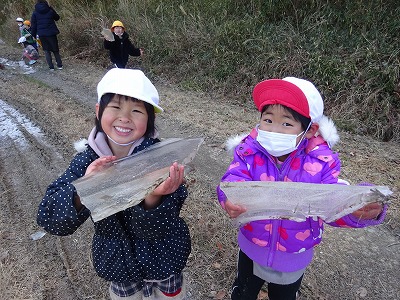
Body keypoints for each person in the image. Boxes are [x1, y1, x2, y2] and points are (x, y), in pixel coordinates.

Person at [216, 77, 388, 300]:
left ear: (309, 129)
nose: (274, 129)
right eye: (268, 120)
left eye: (286, 123)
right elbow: (232, 179)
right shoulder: (248, 152)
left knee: (284, 296)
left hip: (293, 254)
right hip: (251, 245)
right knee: (243, 291)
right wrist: (228, 199)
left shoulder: (321, 164)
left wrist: (357, 207)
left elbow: (332, 203)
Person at [37, 68, 191, 300]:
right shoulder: (87, 162)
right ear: (99, 111)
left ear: (150, 119)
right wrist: (87, 187)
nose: (125, 117)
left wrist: (153, 197)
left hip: (164, 257)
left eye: (137, 110)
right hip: (119, 265)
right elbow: (51, 219)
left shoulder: (161, 159)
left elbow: (159, 227)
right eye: (116, 107)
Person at [30, 0, 62, 70]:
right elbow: (57, 18)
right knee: (55, 49)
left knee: (46, 50)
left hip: (42, 34)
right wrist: (52, 9)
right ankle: (59, 65)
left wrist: (33, 35)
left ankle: (51, 67)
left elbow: (33, 25)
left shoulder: (35, 13)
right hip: (51, 33)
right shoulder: (50, 10)